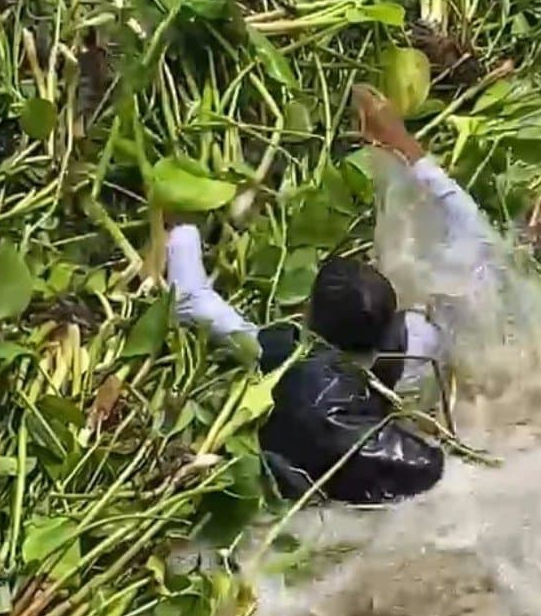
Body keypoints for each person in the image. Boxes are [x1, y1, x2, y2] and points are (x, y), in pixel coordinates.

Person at [164, 87, 492, 503]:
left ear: (311, 323)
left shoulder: (290, 359)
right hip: (418, 475)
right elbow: (477, 240)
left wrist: (182, 222)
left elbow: (191, 300)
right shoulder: (427, 343)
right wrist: (404, 144)